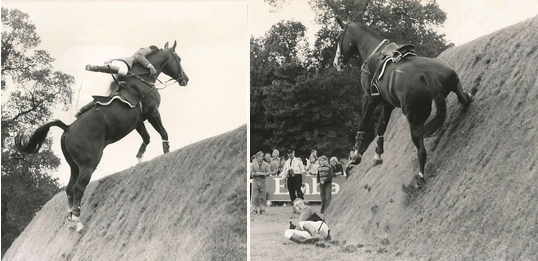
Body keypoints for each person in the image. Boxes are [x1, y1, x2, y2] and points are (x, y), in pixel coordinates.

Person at [75, 46, 160, 118]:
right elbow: (138, 55)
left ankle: (82, 111)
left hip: (121, 70)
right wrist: (150, 66)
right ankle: (93, 67)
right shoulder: (148, 49)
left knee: (108, 97)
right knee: (123, 71)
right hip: (123, 64)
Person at [280, 149, 306, 213]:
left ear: (294, 153)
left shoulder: (298, 161)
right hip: (289, 177)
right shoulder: (287, 162)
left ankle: (301, 208)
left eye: (291, 153)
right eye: (289, 153)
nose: (290, 154)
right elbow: (284, 172)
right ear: (287, 154)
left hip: (297, 176)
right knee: (291, 193)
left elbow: (302, 171)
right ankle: (294, 208)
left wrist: (303, 181)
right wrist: (284, 182)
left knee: (299, 192)